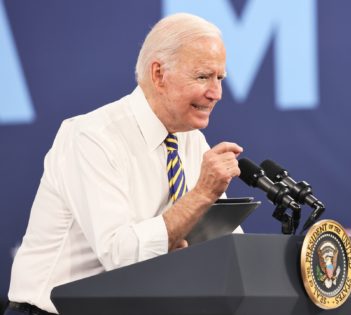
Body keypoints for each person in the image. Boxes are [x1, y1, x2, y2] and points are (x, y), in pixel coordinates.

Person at [5, 13, 243, 315]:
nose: (216, 93)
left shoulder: (191, 140)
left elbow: (225, 247)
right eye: (203, 77)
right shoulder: (91, 137)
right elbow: (121, 257)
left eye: (219, 78)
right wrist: (201, 195)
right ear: (159, 74)